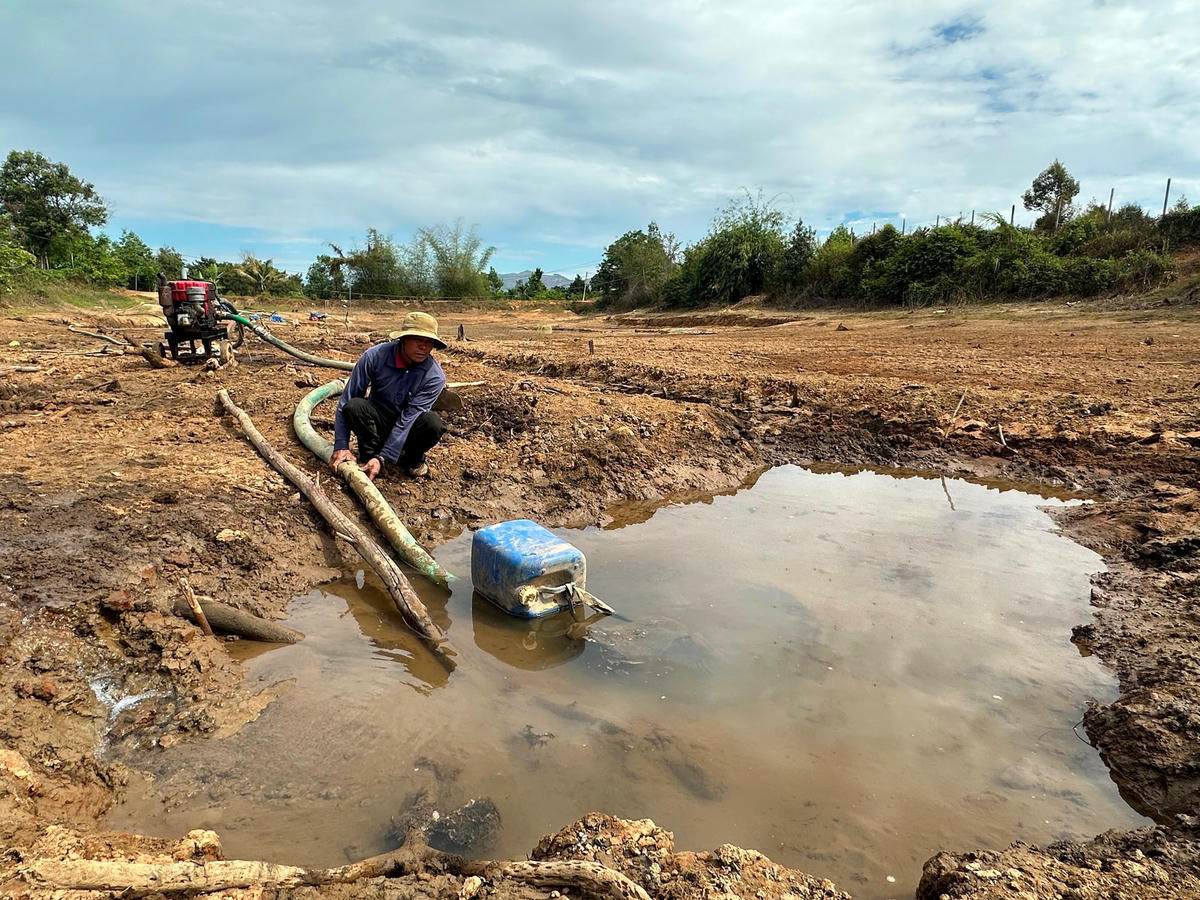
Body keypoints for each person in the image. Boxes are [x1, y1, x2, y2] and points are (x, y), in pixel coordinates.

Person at [330, 311, 447, 482]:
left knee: (433, 423)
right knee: (354, 406)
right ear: (403, 339)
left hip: (409, 430)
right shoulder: (375, 356)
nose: (424, 347)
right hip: (378, 420)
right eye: (418, 340)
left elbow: (408, 418)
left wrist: (384, 457)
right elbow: (347, 399)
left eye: (429, 342)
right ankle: (369, 457)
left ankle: (412, 460)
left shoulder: (434, 377)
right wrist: (341, 445)